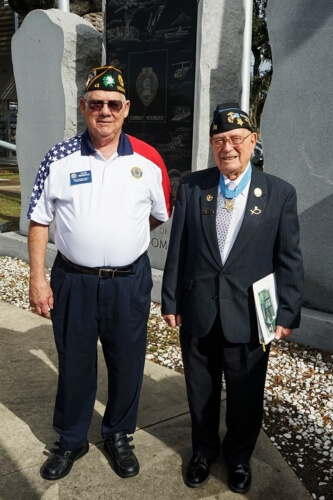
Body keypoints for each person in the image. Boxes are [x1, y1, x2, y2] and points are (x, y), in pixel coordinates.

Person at [27, 65, 172, 481]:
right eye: (96, 103)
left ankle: (119, 434)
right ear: (83, 107)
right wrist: (37, 279)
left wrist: (123, 242)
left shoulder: (149, 159)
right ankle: (71, 439)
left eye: (113, 104)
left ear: (126, 108)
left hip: (129, 282)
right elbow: (39, 222)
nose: (104, 111)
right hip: (73, 280)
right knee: (74, 363)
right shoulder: (58, 158)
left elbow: (160, 215)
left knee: (127, 361)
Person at [161, 103, 303, 494]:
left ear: (252, 142)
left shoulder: (279, 194)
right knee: (199, 388)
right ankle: (203, 452)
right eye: (219, 140)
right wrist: (170, 300)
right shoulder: (192, 187)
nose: (228, 147)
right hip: (198, 310)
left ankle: (239, 458)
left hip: (250, 315)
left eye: (236, 139)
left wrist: (287, 312)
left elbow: (288, 258)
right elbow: (179, 248)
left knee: (246, 394)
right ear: (212, 145)